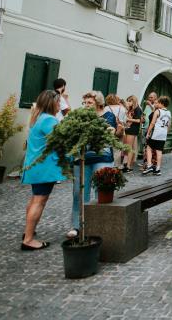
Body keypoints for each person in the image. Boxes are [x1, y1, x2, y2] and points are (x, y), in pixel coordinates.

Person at [21, 90, 65, 250]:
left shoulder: (38, 117)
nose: (60, 105)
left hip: (36, 167)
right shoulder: (49, 120)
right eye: (58, 102)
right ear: (51, 103)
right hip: (43, 168)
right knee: (39, 201)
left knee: (35, 199)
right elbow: (62, 140)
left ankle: (28, 232)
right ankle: (28, 239)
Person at [68, 91, 115, 238]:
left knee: (100, 192)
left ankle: (98, 224)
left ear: (98, 103)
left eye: (90, 103)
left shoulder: (108, 116)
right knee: (79, 193)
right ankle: (77, 226)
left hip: (102, 157)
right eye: (85, 103)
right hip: (81, 158)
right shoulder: (80, 117)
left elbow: (106, 134)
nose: (86, 106)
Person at [143, 96, 171, 176]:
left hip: (156, 133)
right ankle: (158, 168)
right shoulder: (169, 113)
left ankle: (149, 165)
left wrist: (148, 132)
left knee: (149, 147)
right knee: (159, 151)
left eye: (158, 102)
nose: (157, 104)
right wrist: (166, 132)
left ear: (162, 103)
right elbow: (169, 125)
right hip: (163, 134)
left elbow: (152, 123)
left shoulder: (158, 111)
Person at [122, 95, 142, 173]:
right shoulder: (130, 109)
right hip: (128, 128)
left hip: (133, 129)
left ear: (133, 101)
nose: (128, 102)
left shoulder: (138, 109)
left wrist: (128, 119)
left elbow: (138, 120)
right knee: (128, 147)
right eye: (128, 101)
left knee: (129, 148)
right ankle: (127, 164)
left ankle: (128, 166)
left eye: (130, 101)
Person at [141, 92, 158, 170]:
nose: (149, 99)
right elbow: (144, 114)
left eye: (151, 97)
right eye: (149, 97)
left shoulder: (156, 105)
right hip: (145, 127)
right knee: (145, 146)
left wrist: (150, 105)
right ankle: (146, 163)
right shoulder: (147, 106)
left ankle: (150, 163)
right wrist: (143, 118)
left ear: (155, 98)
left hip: (152, 129)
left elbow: (155, 112)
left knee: (150, 147)